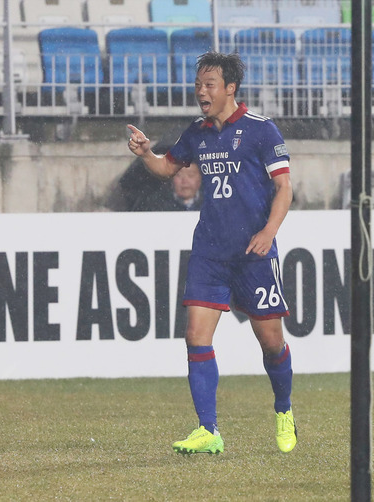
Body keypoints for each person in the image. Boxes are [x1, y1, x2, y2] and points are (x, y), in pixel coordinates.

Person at [127, 52, 296, 455]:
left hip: (254, 253)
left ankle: (284, 409)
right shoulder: (198, 133)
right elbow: (168, 168)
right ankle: (208, 430)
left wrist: (269, 232)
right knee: (195, 335)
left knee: (271, 341)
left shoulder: (261, 130)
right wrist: (146, 154)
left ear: (230, 88)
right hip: (210, 251)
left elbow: (284, 188)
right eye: (199, 83)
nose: (201, 91)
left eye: (209, 84)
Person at [132, 164, 203, 212]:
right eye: (179, 175)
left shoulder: (208, 203)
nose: (184, 181)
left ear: (200, 179)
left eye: (191, 175)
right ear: (172, 179)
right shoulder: (156, 204)